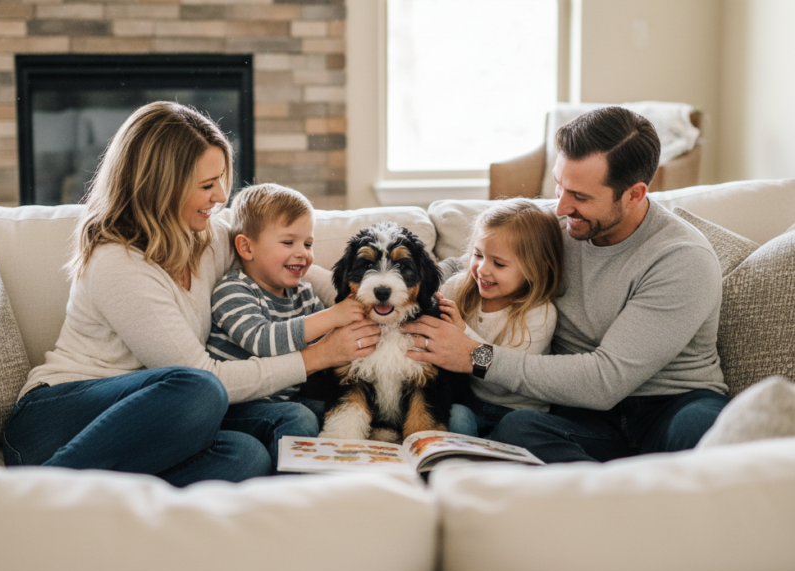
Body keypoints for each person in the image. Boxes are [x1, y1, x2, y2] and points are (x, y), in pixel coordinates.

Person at [3, 101, 380, 486]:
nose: (220, 196)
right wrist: (317, 356)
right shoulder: (117, 262)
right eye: (206, 185)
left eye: (221, 179)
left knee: (246, 455)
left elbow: (288, 265)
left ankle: (109, 495)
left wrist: (369, 296)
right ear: (161, 188)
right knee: (198, 388)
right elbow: (204, 377)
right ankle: (40, 490)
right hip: (55, 424)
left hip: (159, 423)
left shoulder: (208, 235)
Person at [404, 106, 730, 463]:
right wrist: (393, 282)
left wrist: (473, 355)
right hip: (583, 418)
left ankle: (617, 496)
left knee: (706, 429)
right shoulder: (560, 228)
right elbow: (463, 265)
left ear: (635, 194)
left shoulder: (681, 258)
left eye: (581, 196)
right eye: (559, 186)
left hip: (669, 406)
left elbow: (605, 380)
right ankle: (613, 494)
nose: (559, 207)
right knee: (517, 428)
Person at [205, 183, 365, 462]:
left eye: (308, 243)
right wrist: (332, 315)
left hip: (281, 403)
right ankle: (288, 493)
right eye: (288, 242)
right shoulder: (233, 289)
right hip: (232, 408)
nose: (302, 253)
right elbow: (263, 340)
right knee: (299, 417)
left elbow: (330, 341)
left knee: (338, 410)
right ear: (246, 247)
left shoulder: (303, 293)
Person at [437, 198, 564, 437]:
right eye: (478, 254)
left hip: (517, 409)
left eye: (499, 263)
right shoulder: (458, 289)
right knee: (454, 416)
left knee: (518, 426)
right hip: (469, 403)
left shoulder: (539, 313)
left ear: (535, 268)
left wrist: (462, 331)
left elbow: (501, 379)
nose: (483, 269)